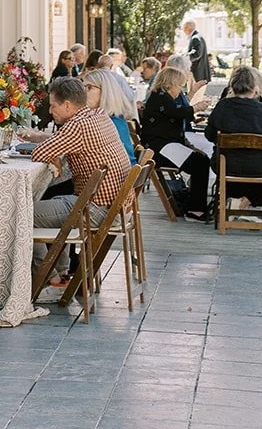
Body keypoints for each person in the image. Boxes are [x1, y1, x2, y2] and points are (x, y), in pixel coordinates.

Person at [31, 76, 131, 286]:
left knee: (19, 213)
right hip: (115, 207)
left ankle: (46, 278)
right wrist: (55, 154)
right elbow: (55, 146)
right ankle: (62, 270)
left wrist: (52, 154)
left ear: (67, 105)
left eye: (53, 105)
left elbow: (38, 153)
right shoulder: (98, 115)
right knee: (56, 199)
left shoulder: (76, 126)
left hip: (95, 210)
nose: (50, 111)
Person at [204, 65, 262, 212]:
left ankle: (236, 200)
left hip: (226, 165)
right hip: (259, 168)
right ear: (254, 88)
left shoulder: (222, 107)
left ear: (233, 86)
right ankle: (250, 200)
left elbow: (209, 135)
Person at [139, 65, 212, 220]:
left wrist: (193, 93)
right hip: (160, 148)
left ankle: (195, 205)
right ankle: (195, 210)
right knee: (200, 163)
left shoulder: (163, 96)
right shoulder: (160, 97)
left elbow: (181, 108)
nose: (180, 89)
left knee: (202, 159)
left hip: (166, 144)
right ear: (170, 83)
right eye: (179, 85)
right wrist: (197, 107)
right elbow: (178, 112)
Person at [83, 68, 135, 162]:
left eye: (89, 87)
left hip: (121, 174)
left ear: (105, 91)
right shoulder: (114, 118)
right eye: (83, 88)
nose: (84, 92)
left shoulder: (110, 123)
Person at [183, 20, 212, 92]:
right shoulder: (197, 37)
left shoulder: (195, 38)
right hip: (200, 74)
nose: (183, 30)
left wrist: (184, 57)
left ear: (188, 28)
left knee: (195, 98)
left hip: (197, 74)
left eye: (183, 28)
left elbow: (196, 54)